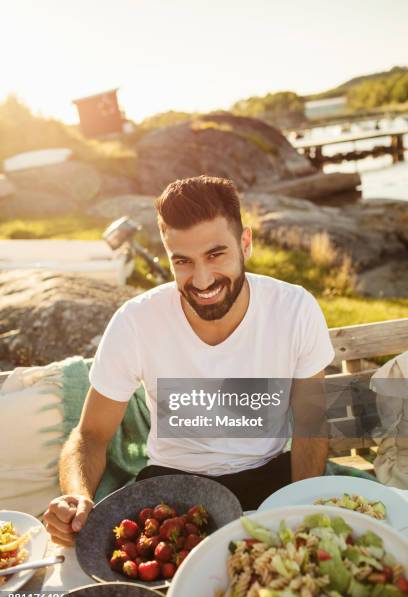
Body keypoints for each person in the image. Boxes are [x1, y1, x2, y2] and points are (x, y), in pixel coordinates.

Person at [44, 175, 334, 546]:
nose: (201, 280)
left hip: (267, 477)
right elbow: (90, 435)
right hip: (169, 489)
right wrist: (78, 495)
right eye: (182, 261)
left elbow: (312, 423)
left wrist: (303, 507)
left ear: (245, 243)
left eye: (216, 255)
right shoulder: (135, 321)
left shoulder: (295, 309)